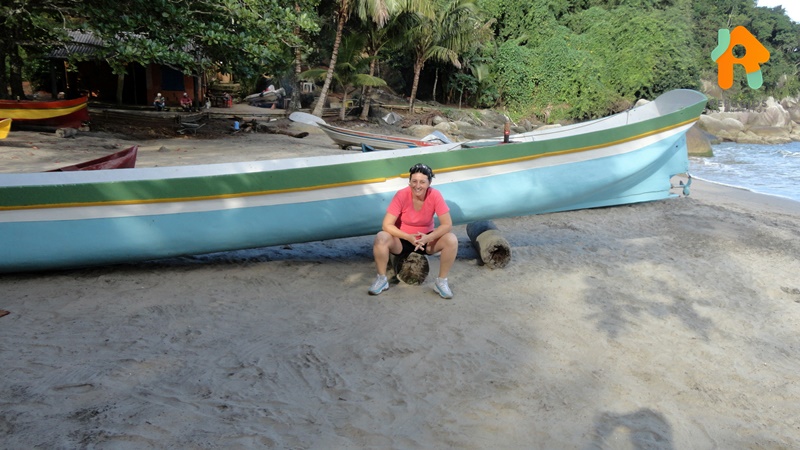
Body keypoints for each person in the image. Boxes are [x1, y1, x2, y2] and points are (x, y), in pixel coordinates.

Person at [369, 163, 458, 299]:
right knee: (381, 237)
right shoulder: (401, 194)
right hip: (402, 239)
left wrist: (428, 237)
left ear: (429, 183)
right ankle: (382, 279)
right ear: (409, 182)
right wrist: (408, 237)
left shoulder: (435, 195)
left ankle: (441, 282)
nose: (418, 185)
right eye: (414, 181)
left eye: (422, 182)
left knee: (451, 239)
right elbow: (386, 225)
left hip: (426, 239)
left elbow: (447, 224)